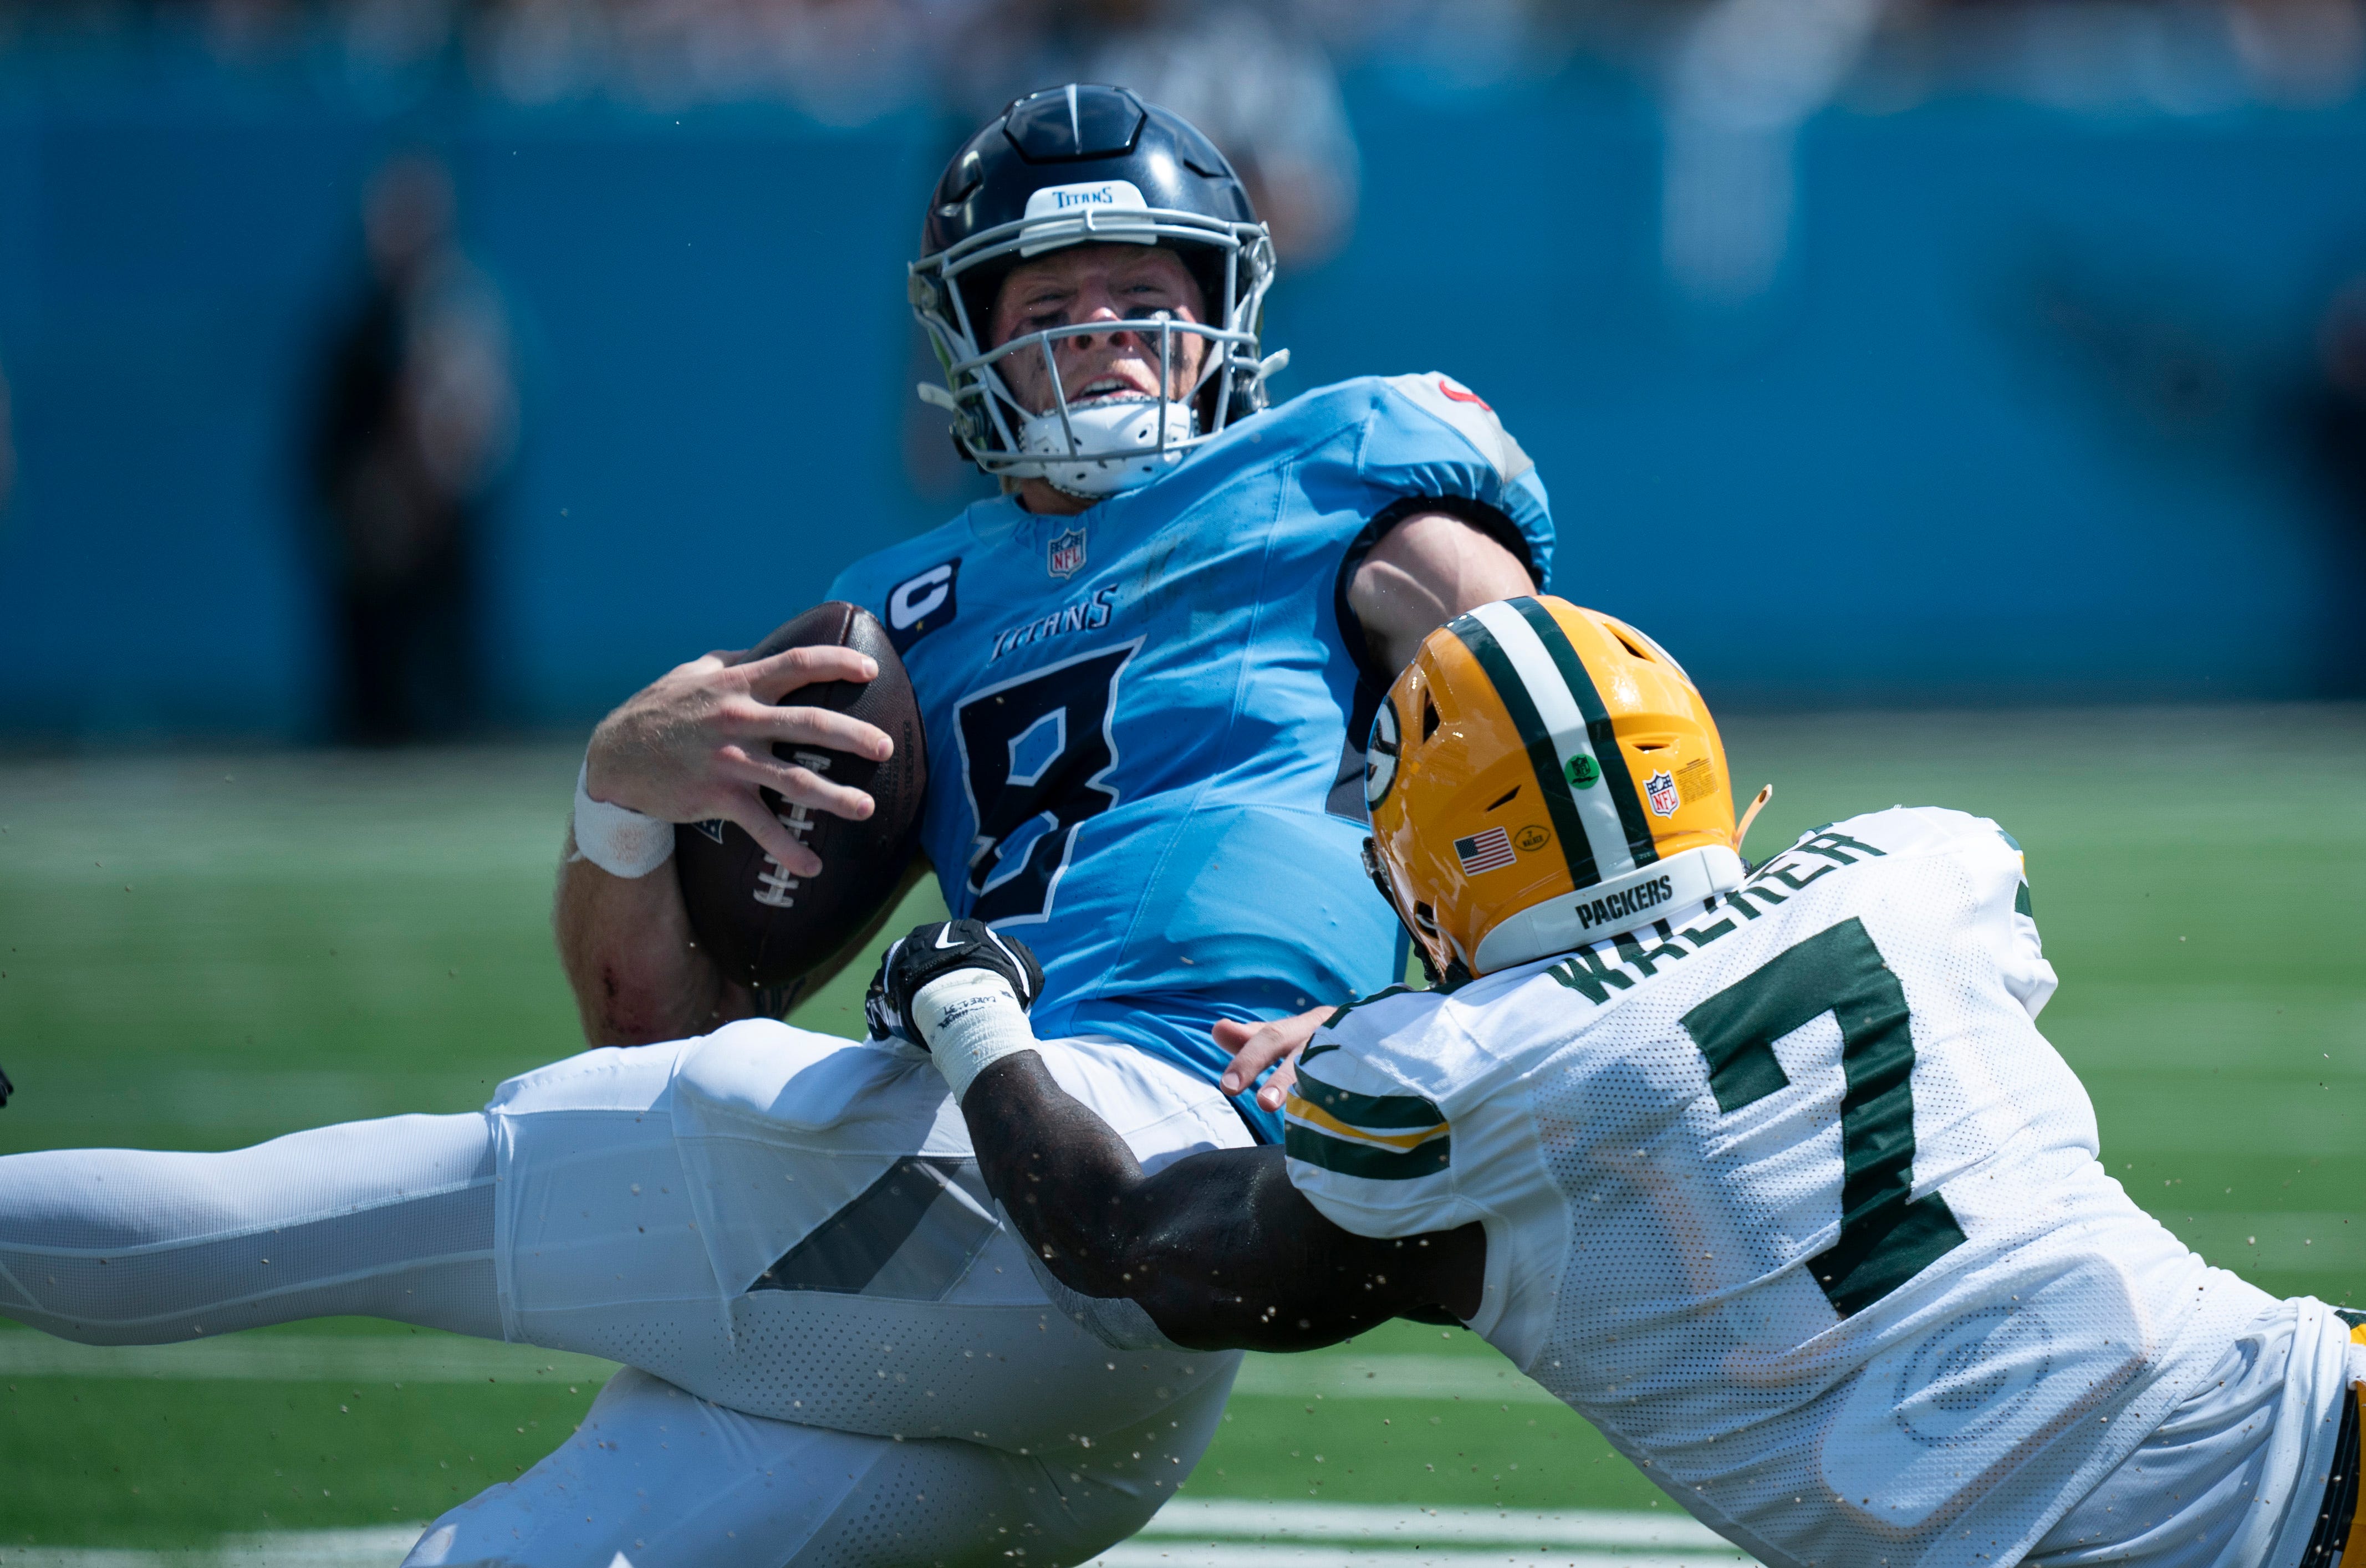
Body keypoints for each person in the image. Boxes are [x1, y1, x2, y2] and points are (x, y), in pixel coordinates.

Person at [0, 86, 1552, 1566]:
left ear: (1221, 312)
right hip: (1068, 1317)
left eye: (1139, 298)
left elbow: (1555, 727)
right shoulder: (902, 615)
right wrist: (618, 793)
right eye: (1049, 309)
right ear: (968, 340)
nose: (1100, 343)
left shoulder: (1335, 471)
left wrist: (1428, 1005)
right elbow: (648, 1023)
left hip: (1107, 1194)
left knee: (269, 1217)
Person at [883, 594, 2366, 1568]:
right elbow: (1688, 1032)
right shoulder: (1918, 864)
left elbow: (1129, 1236)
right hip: (2314, 1397)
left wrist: (963, 1004)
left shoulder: (1446, 1073)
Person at [307, 153, 515, 745]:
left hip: (435, 525)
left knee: (436, 690)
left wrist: (426, 485)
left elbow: (479, 421)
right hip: (366, 524)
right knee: (367, 689)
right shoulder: (357, 314)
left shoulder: (453, 303)